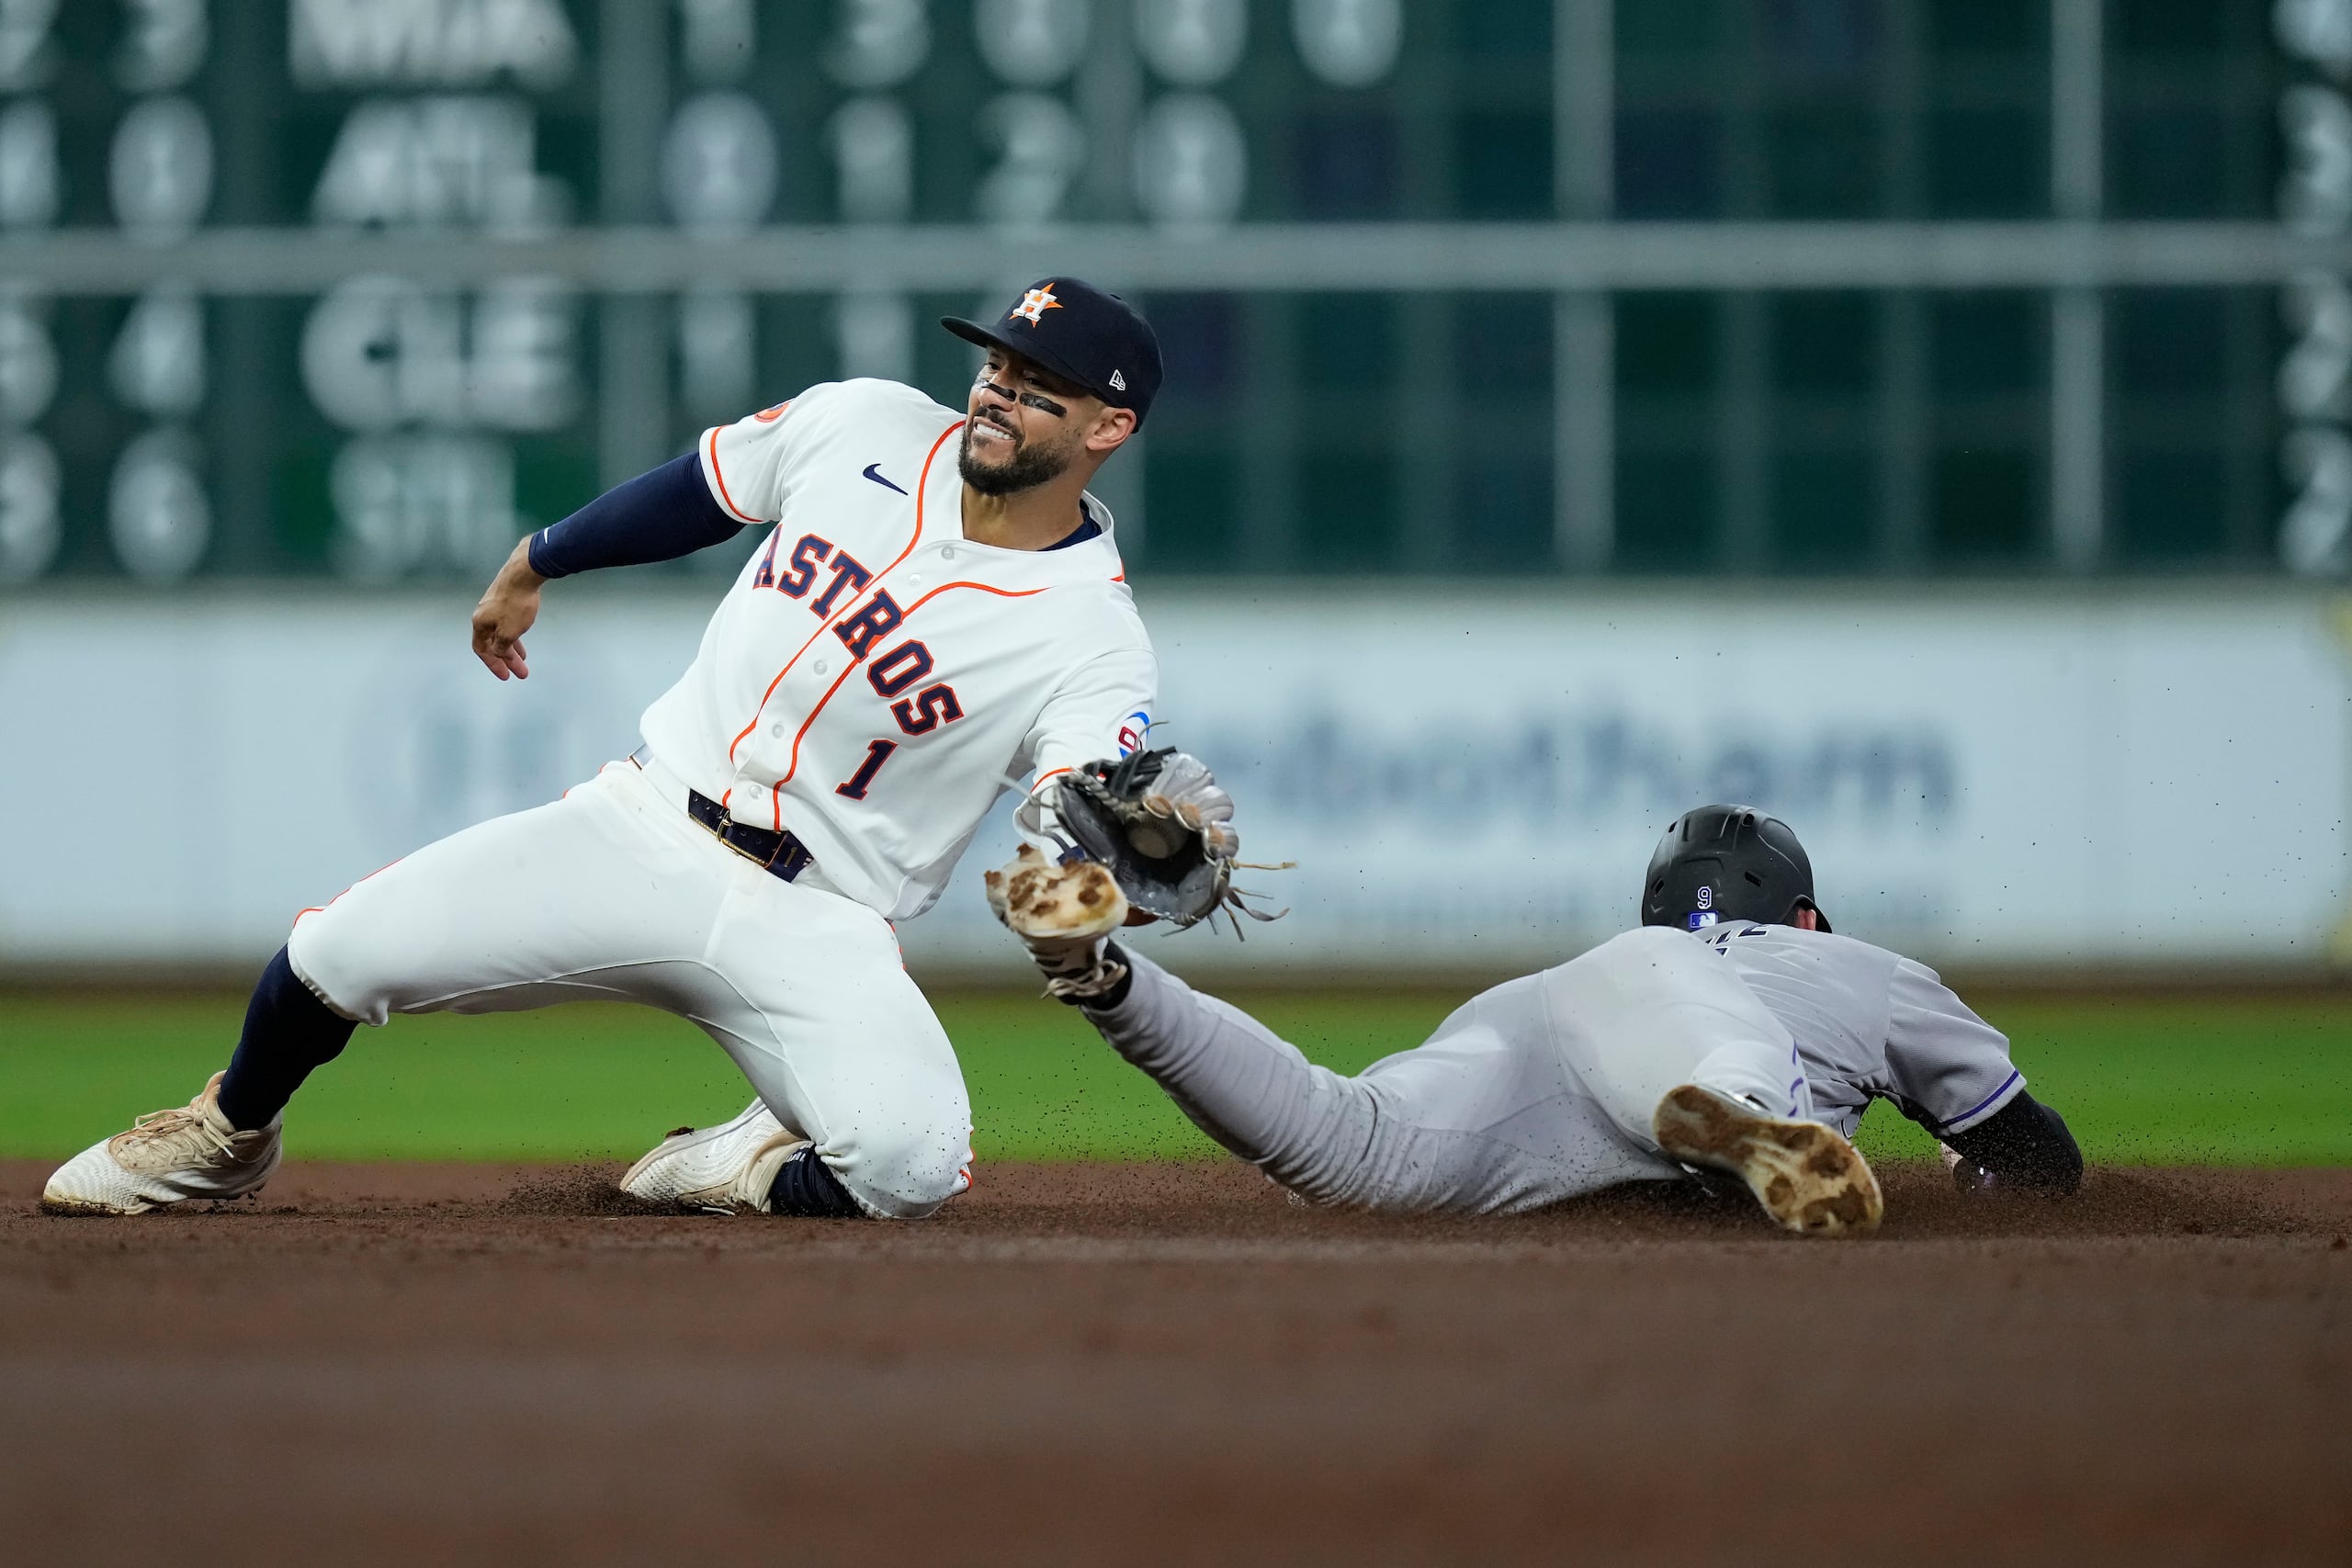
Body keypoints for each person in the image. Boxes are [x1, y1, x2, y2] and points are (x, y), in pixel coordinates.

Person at [47, 277, 1218, 1223]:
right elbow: (705, 491)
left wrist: (1102, 854)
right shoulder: (863, 423)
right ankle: (223, 1137)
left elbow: (1083, 796)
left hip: (820, 919)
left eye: (1040, 391)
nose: (997, 396)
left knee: (910, 1170)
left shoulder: (1090, 635)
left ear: (1108, 430)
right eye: (998, 368)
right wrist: (540, 558)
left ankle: (738, 1163)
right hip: (643, 826)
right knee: (331, 955)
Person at [988, 803, 2084, 1234]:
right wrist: (1969, 1179)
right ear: (1801, 912)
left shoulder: (1640, 943)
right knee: (1723, 1065)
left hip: (1552, 1010)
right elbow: (2032, 1153)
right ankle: (1743, 1123)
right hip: (1671, 1042)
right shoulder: (1861, 965)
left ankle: (1103, 976)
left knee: (1346, 1141)